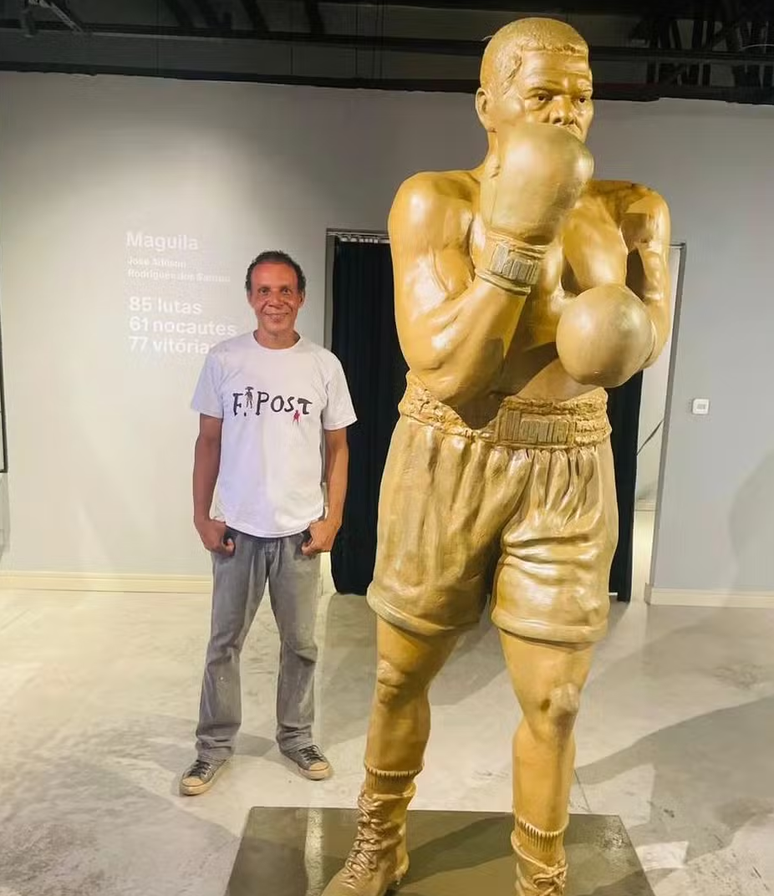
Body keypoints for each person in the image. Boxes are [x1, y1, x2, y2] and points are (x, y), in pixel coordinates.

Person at [323, 17, 670, 896]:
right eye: (542, 92)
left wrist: (622, 327)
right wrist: (516, 243)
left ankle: (541, 874)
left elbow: (639, 342)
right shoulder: (433, 201)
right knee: (401, 674)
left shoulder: (632, 210)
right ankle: (380, 837)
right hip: (450, 451)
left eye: (581, 96)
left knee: (555, 699)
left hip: (569, 462)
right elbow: (445, 367)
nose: (566, 112)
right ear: (488, 103)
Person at [179, 250, 357, 796]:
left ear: (301, 297)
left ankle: (297, 737)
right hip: (237, 528)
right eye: (263, 290)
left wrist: (332, 519)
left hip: (299, 531)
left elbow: (338, 448)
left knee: (300, 645)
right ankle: (212, 748)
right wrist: (201, 516)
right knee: (223, 644)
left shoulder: (323, 365)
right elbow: (208, 441)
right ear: (250, 297)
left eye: (284, 290)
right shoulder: (224, 359)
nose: (274, 300)